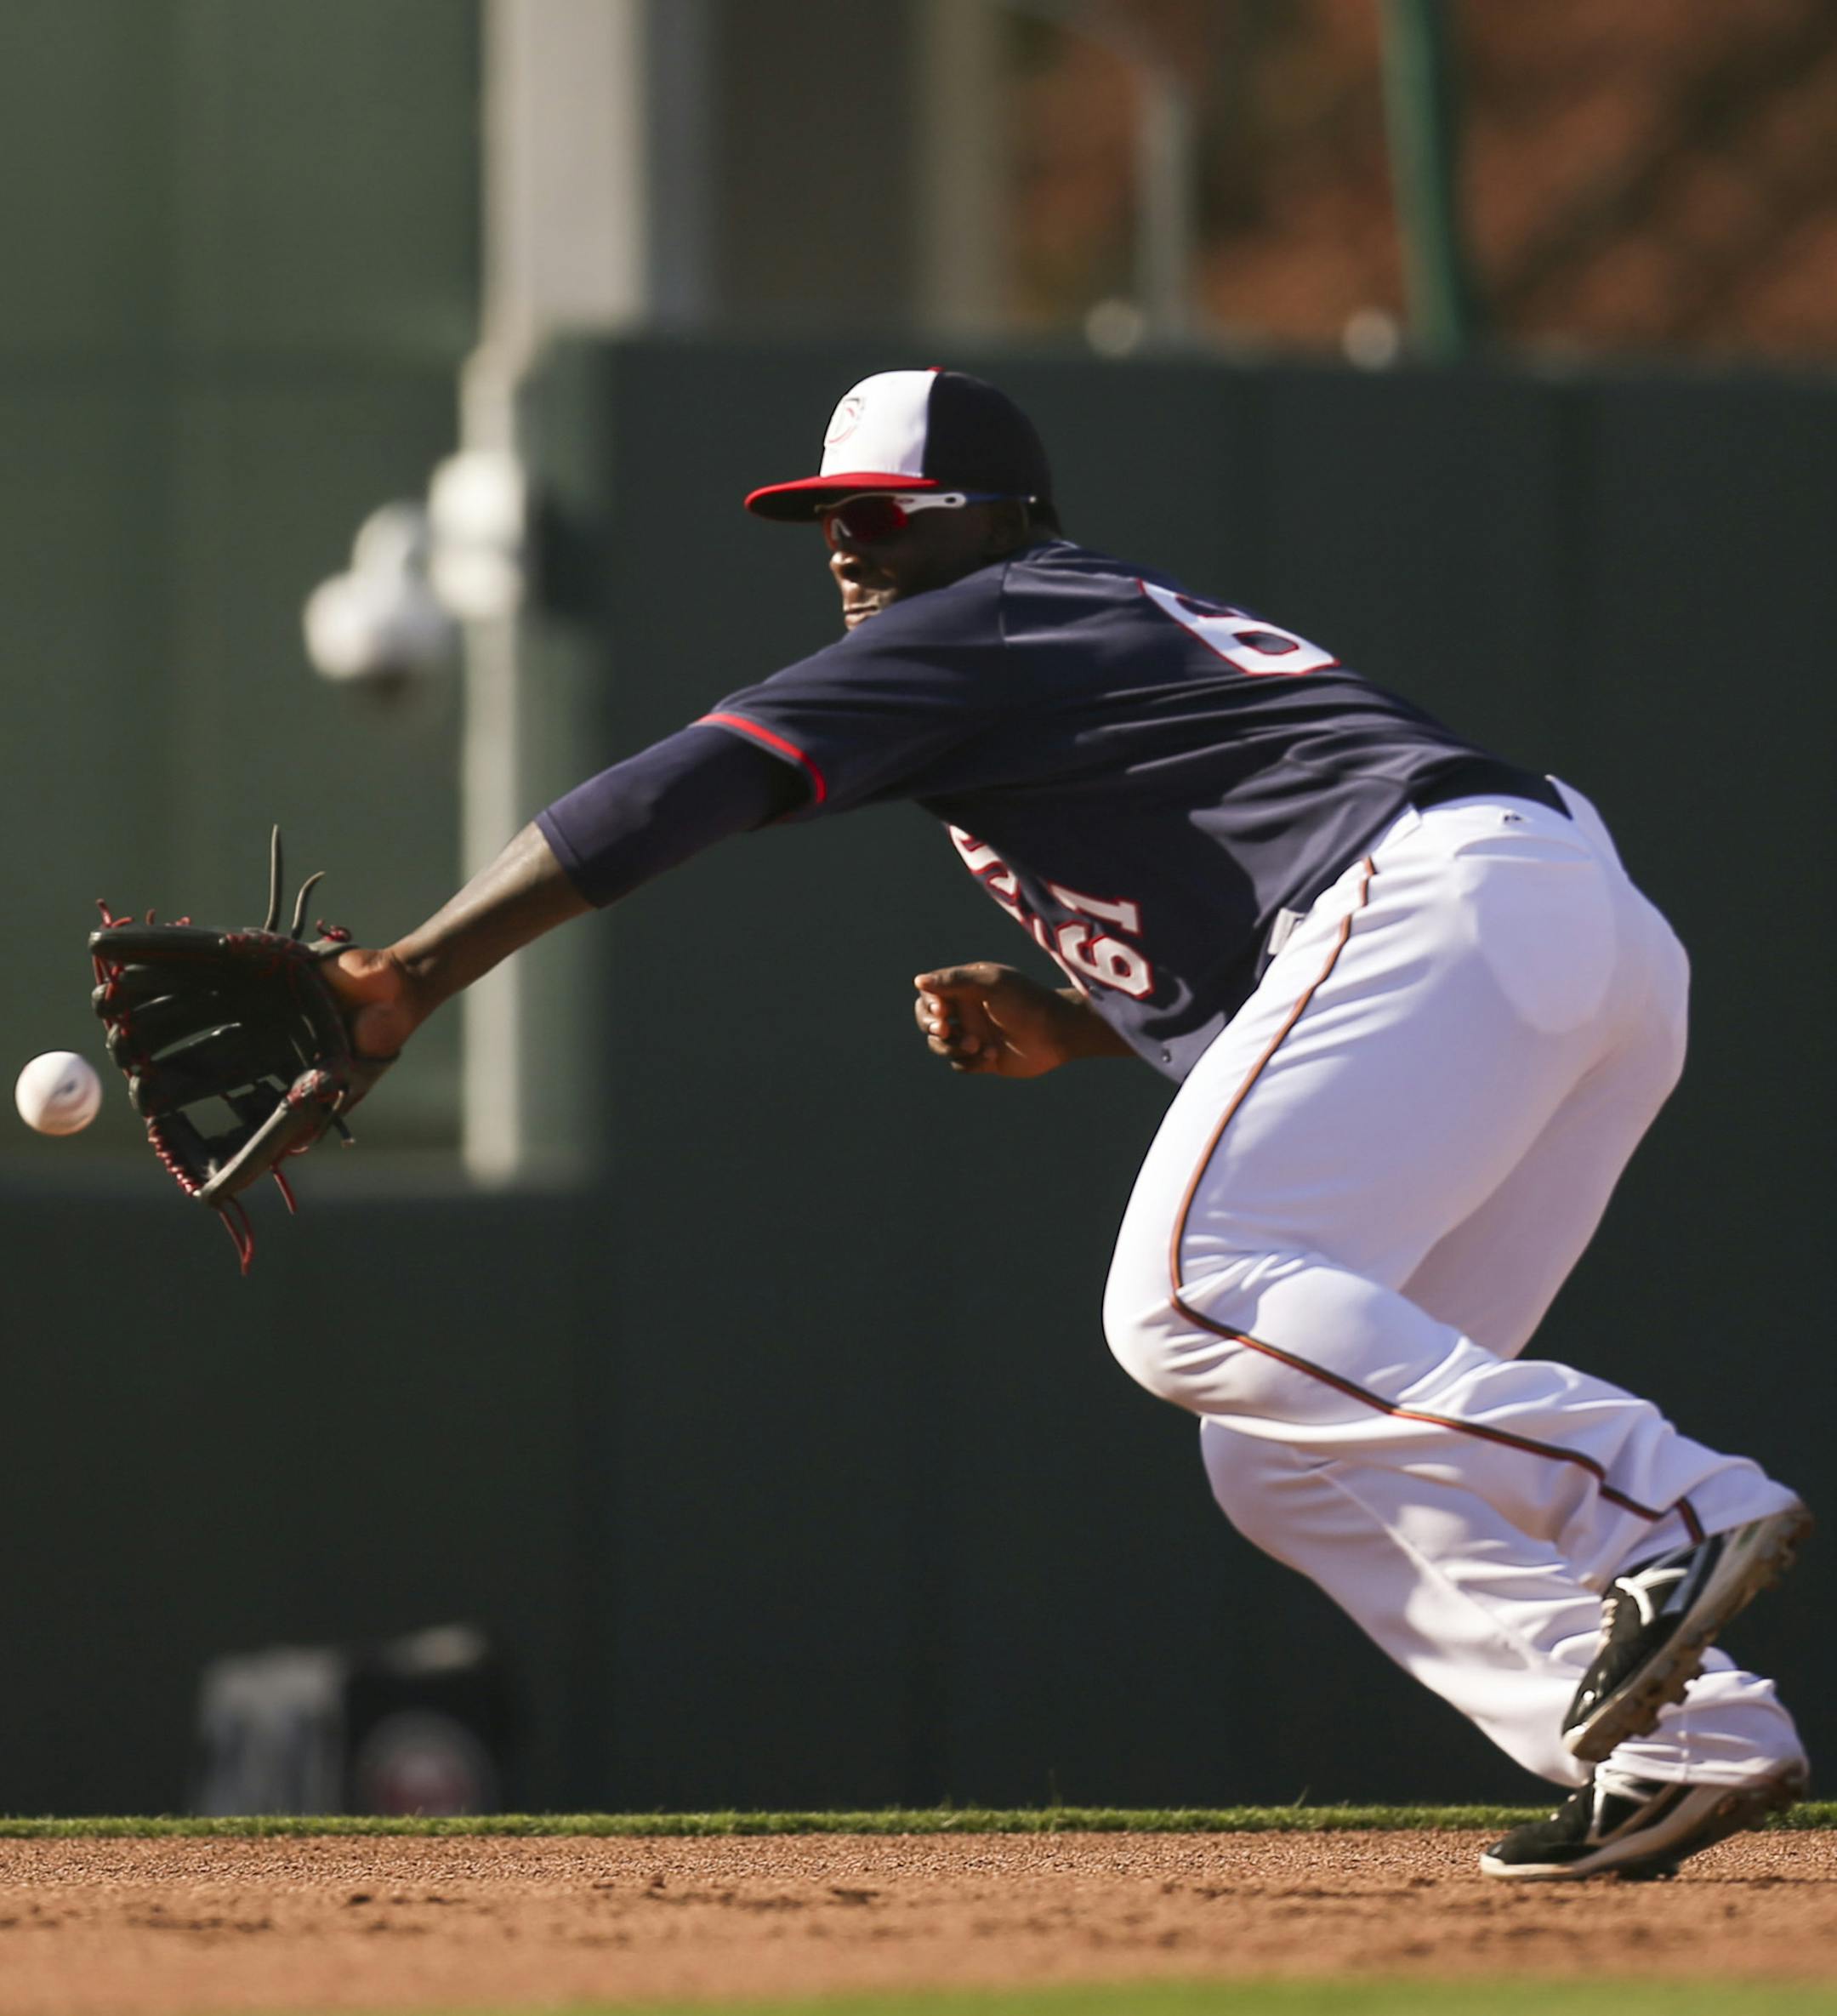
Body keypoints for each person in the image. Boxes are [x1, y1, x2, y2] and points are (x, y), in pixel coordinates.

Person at [330, 368, 1809, 1878]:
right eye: (833, 518)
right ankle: (1686, 1740)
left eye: (890, 515)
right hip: (1569, 935)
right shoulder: (1063, 634)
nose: (853, 548)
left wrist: (412, 973)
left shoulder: (992, 615)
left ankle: (1669, 1503)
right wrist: (1094, 1022)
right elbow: (1288, 931)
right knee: (1280, 1446)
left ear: (1004, 518)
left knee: (1180, 1295)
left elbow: (686, 784)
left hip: (1451, 891)